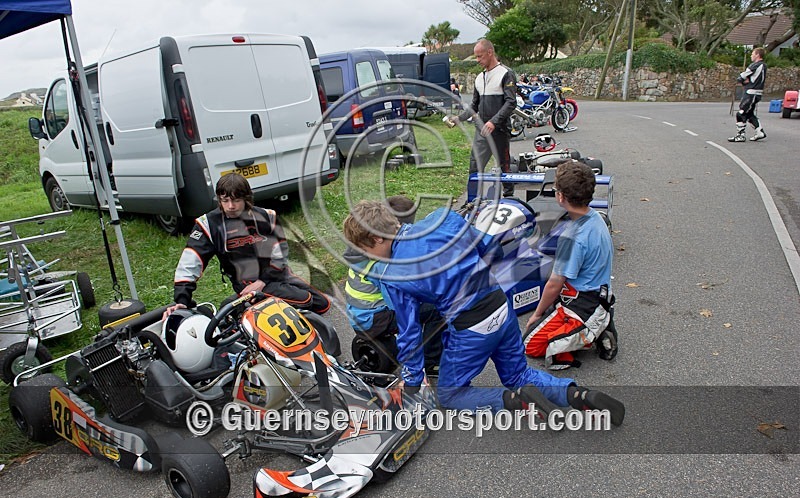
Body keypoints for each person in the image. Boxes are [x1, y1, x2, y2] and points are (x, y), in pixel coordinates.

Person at [342, 199, 625, 426]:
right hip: (501, 306)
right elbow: (490, 247)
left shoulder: (393, 276)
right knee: (519, 374)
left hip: (471, 327)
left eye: (365, 250)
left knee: (451, 395)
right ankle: (577, 394)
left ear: (375, 239)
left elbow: (409, 334)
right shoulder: (442, 219)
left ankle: (513, 402)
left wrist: (414, 382)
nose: (368, 258)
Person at [163, 172, 330, 318]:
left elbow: (280, 254)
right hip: (247, 283)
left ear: (246, 198)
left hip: (275, 276)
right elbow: (189, 264)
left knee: (321, 304)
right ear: (219, 200)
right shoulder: (208, 224)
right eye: (225, 200)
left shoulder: (267, 216)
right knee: (304, 300)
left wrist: (263, 281)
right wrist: (182, 300)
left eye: (236, 200)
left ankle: (241, 307)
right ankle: (245, 309)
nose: (230, 206)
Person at [522, 161, 617, 370]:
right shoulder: (597, 218)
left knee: (530, 344)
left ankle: (590, 331)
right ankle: (596, 322)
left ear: (561, 197)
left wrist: (537, 314)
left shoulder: (572, 237)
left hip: (582, 301)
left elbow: (555, 284)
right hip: (598, 292)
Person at [344, 195, 443, 375]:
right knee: (437, 309)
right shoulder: (379, 265)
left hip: (361, 314)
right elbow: (400, 302)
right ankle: (431, 362)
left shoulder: (360, 250)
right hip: (373, 319)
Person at [451, 39, 517, 197]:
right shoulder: (479, 78)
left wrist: (494, 122)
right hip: (481, 131)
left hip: (499, 130)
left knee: (504, 167)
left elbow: (511, 102)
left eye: (480, 57)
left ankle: (509, 199)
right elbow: (474, 105)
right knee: (474, 167)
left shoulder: (506, 74)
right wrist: (458, 118)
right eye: (476, 57)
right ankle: (472, 202)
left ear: (490, 53)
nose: (478, 60)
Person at [728, 47, 767, 142]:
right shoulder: (764, 66)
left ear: (758, 55)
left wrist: (744, 81)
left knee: (741, 113)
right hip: (757, 92)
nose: (751, 55)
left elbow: (741, 76)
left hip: (751, 93)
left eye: (753, 54)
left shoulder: (755, 65)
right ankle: (759, 132)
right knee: (749, 113)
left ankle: (740, 135)